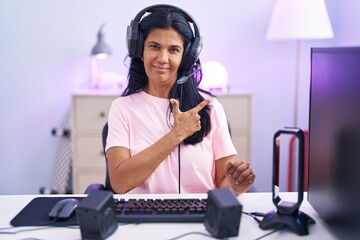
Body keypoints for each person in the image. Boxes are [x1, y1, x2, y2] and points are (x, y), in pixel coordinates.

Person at [105, 4, 255, 195]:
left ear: (186, 57)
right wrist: (176, 135)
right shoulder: (123, 108)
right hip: (141, 217)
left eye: (174, 50)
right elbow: (119, 183)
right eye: (154, 46)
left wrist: (235, 185)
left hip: (202, 216)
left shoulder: (210, 108)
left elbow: (223, 183)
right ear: (139, 50)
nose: (162, 58)